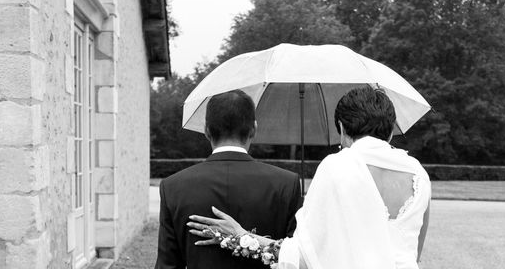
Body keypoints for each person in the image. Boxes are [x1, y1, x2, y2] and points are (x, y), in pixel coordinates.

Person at [188, 86, 431, 269]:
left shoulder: (337, 166)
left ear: (342, 128)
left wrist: (243, 236)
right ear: (389, 132)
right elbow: (415, 252)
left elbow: (304, 256)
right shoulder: (419, 174)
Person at [155, 89, 302, 269]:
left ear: (206, 130)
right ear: (254, 129)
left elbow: (167, 265)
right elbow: (297, 257)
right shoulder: (286, 184)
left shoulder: (173, 187)